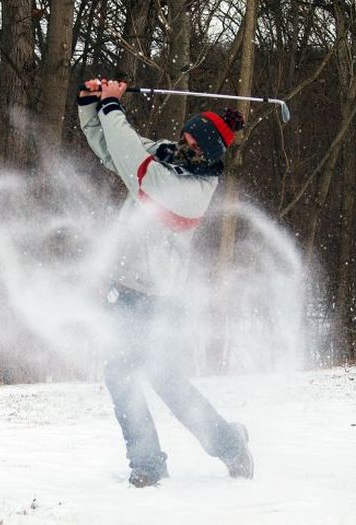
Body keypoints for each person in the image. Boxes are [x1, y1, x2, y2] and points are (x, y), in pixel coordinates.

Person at [78, 78, 254, 487]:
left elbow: (132, 162)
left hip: (159, 298)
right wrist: (90, 106)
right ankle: (211, 447)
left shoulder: (191, 189)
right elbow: (112, 151)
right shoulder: (165, 157)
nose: (183, 147)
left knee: (156, 379)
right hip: (124, 290)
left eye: (194, 146)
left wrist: (111, 107)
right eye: (184, 138)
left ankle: (182, 456)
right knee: (136, 377)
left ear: (209, 155)